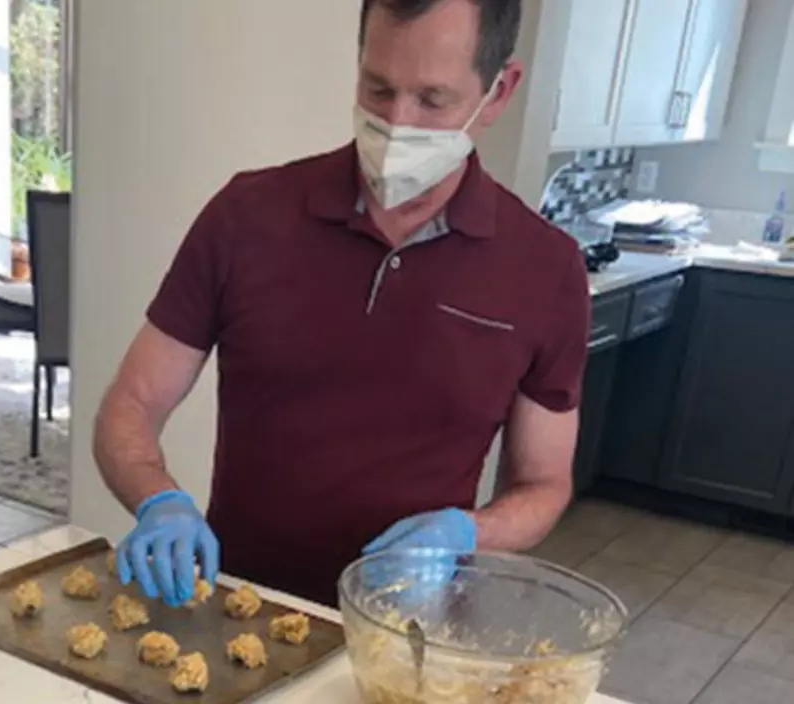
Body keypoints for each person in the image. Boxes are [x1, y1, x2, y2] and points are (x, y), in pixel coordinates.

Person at [94, 0, 589, 608]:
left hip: (409, 632)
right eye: (378, 88)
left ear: (499, 91)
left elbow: (543, 485)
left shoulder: (546, 268)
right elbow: (132, 403)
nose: (397, 122)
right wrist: (157, 498)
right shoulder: (246, 217)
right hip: (238, 610)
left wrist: (467, 533)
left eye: (432, 101)